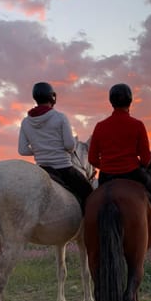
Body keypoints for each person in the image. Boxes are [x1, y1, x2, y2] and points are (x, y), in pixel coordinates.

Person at [88, 83, 151, 253]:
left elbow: (92, 159)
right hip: (132, 174)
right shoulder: (137, 125)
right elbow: (147, 159)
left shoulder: (100, 126)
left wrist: (107, 166)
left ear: (111, 102)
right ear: (130, 101)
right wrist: (137, 164)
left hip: (106, 177)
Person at [18, 81, 93, 214]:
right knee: (90, 194)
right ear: (52, 97)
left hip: (42, 169)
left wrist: (40, 151)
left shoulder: (26, 122)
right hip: (63, 168)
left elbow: (22, 150)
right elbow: (70, 146)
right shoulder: (60, 117)